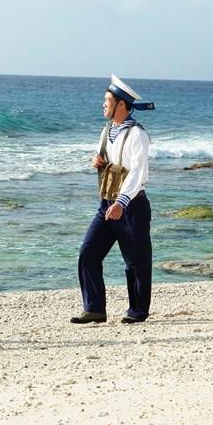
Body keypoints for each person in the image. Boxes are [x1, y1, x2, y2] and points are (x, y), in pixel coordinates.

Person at [71, 74, 155, 325]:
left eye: (107, 101)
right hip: (107, 204)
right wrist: (97, 161)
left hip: (132, 206)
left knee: (136, 262)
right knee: (88, 253)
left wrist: (122, 202)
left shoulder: (137, 134)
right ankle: (95, 309)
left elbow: (138, 172)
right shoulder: (107, 131)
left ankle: (137, 312)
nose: (103, 104)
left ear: (121, 105)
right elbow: (108, 161)